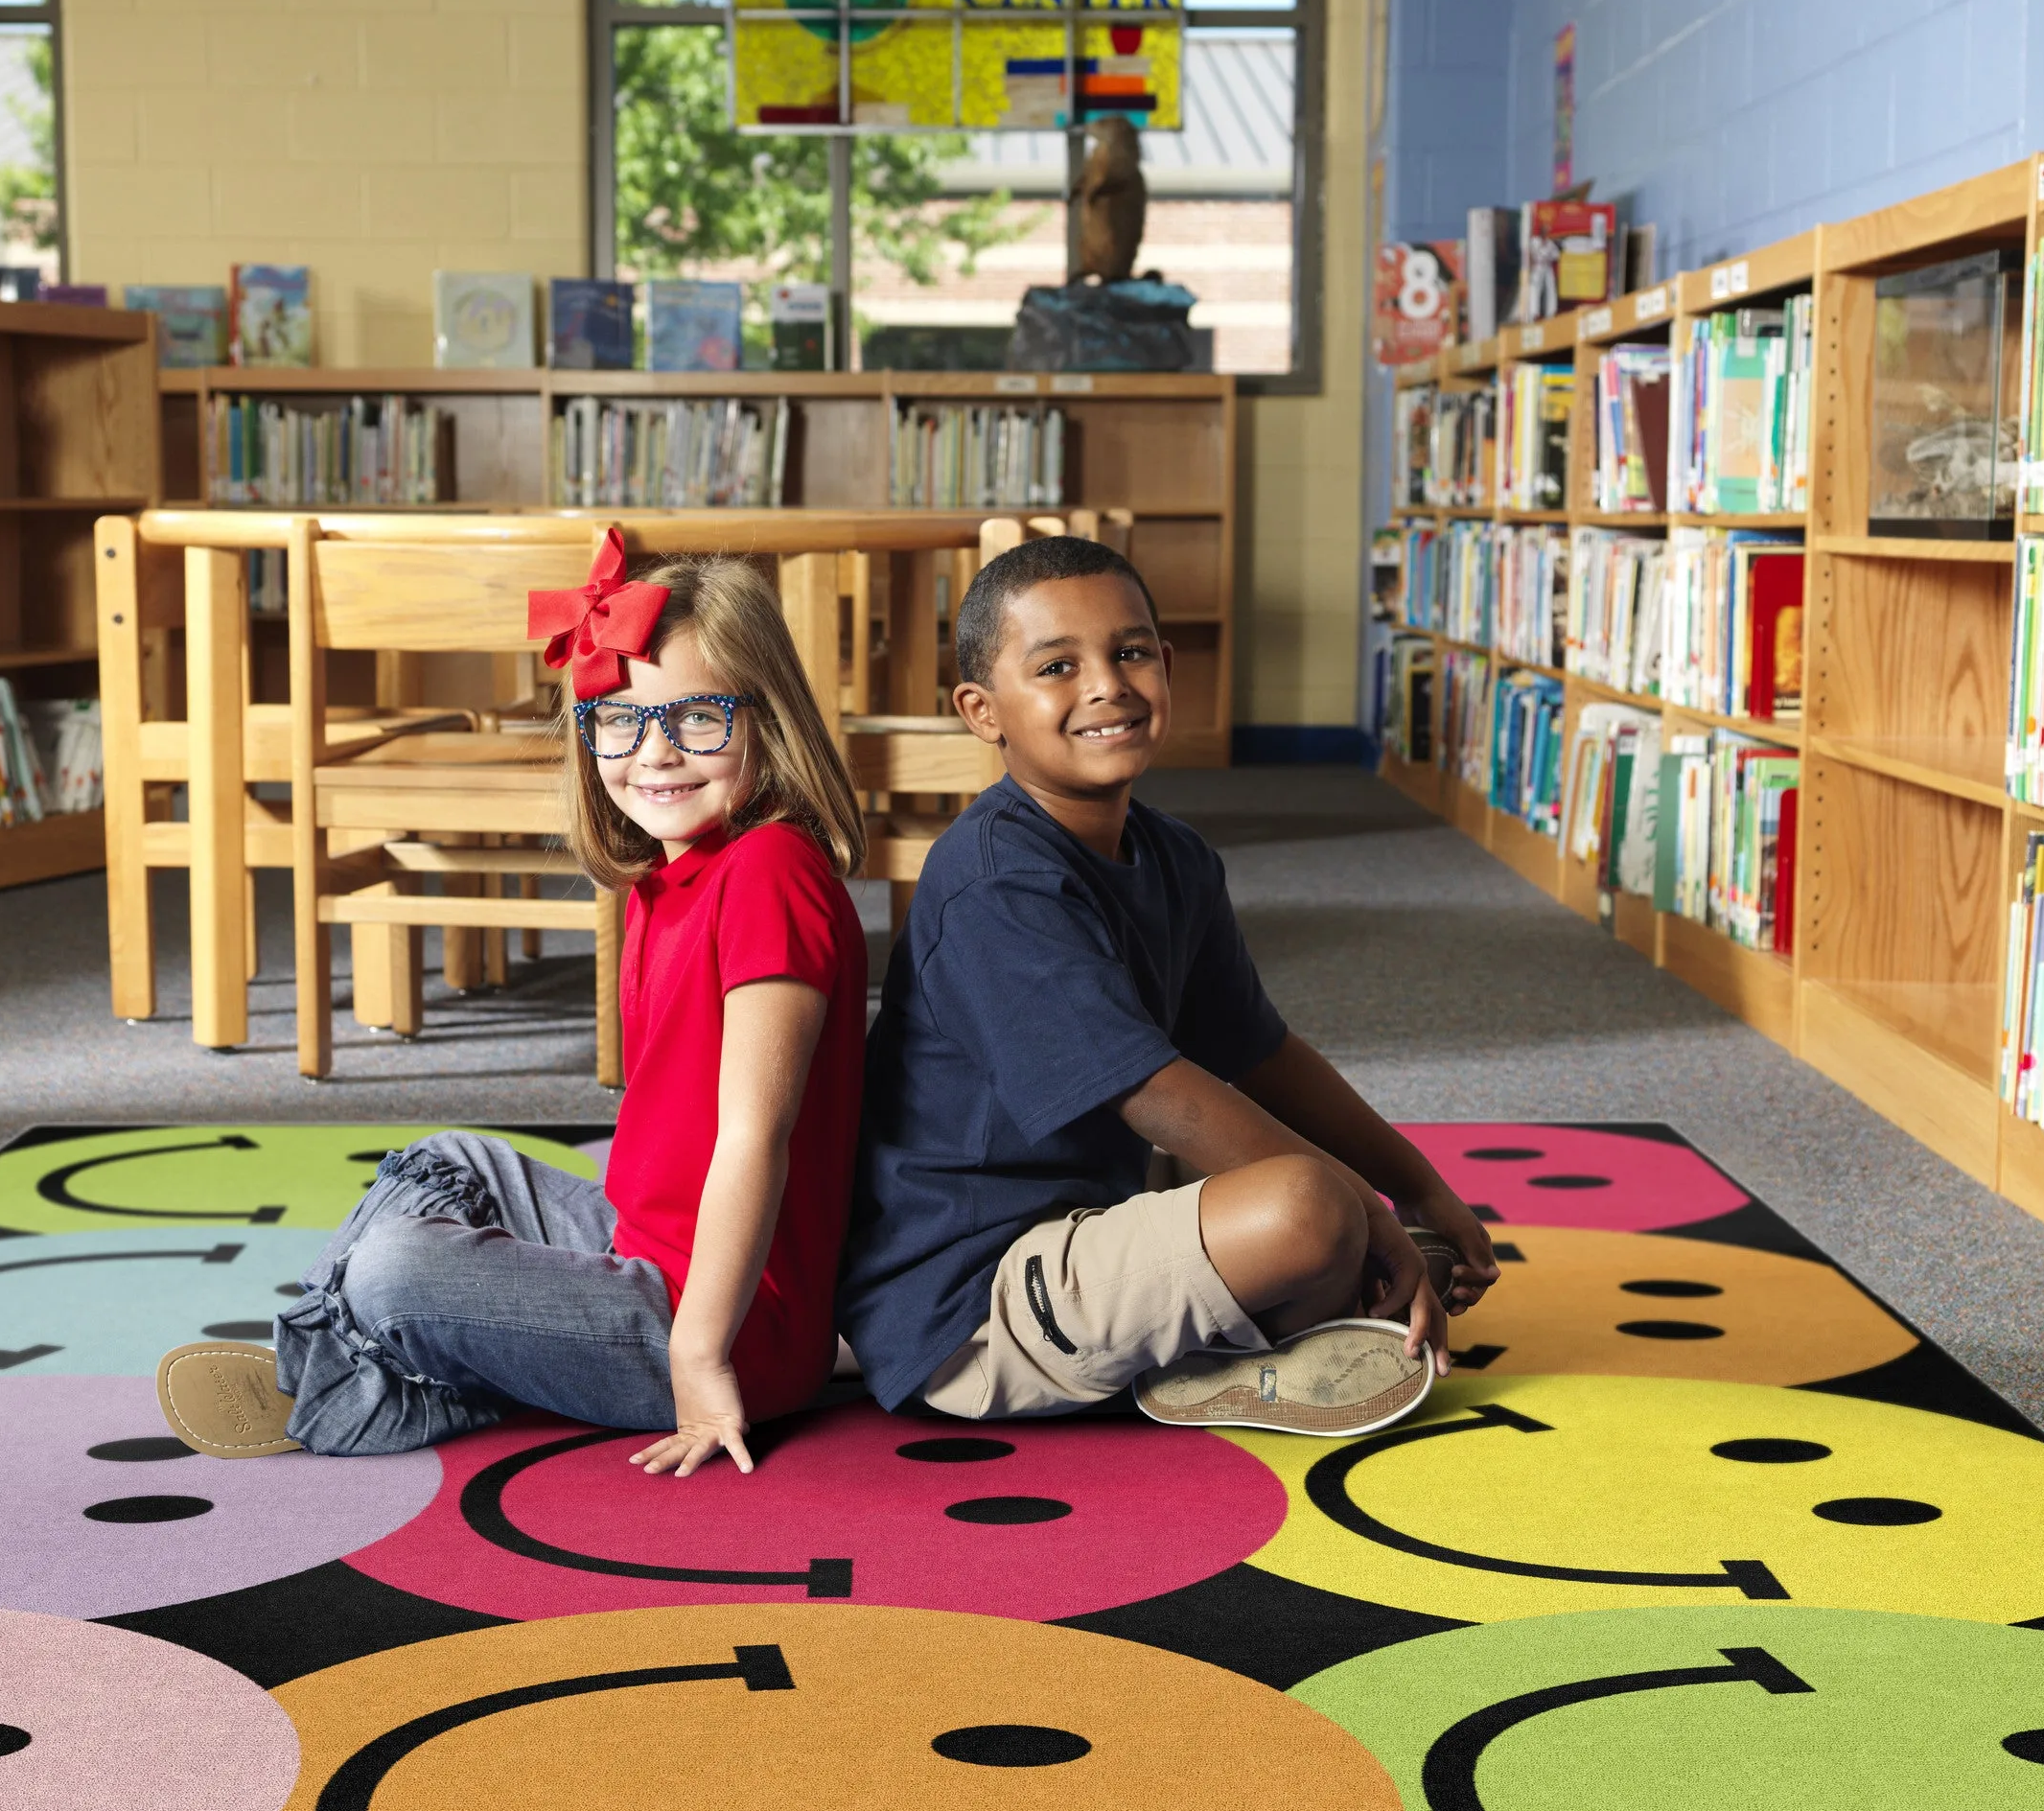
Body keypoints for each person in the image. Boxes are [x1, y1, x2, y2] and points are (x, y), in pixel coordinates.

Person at [156, 536, 868, 1478]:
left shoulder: (771, 870)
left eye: (696, 718)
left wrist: (697, 1355)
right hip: (641, 1241)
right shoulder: (669, 876)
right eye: (616, 721)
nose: (653, 753)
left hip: (722, 1324)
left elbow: (753, 1137)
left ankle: (369, 1376)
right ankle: (389, 1348)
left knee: (393, 1271)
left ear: (765, 722)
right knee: (445, 1160)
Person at [836, 535, 1499, 1437]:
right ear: (982, 711)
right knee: (1308, 1206)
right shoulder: (994, 880)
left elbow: (1263, 1052)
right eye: (1057, 666)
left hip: (1096, 1216)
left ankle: (1284, 1309)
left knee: (1313, 1196)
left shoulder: (1174, 853)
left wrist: (1416, 1188)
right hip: (971, 1304)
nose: (1106, 683)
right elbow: (1152, 1093)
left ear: (1168, 664)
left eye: (1132, 651)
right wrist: (1362, 1215)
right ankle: (1231, 1356)